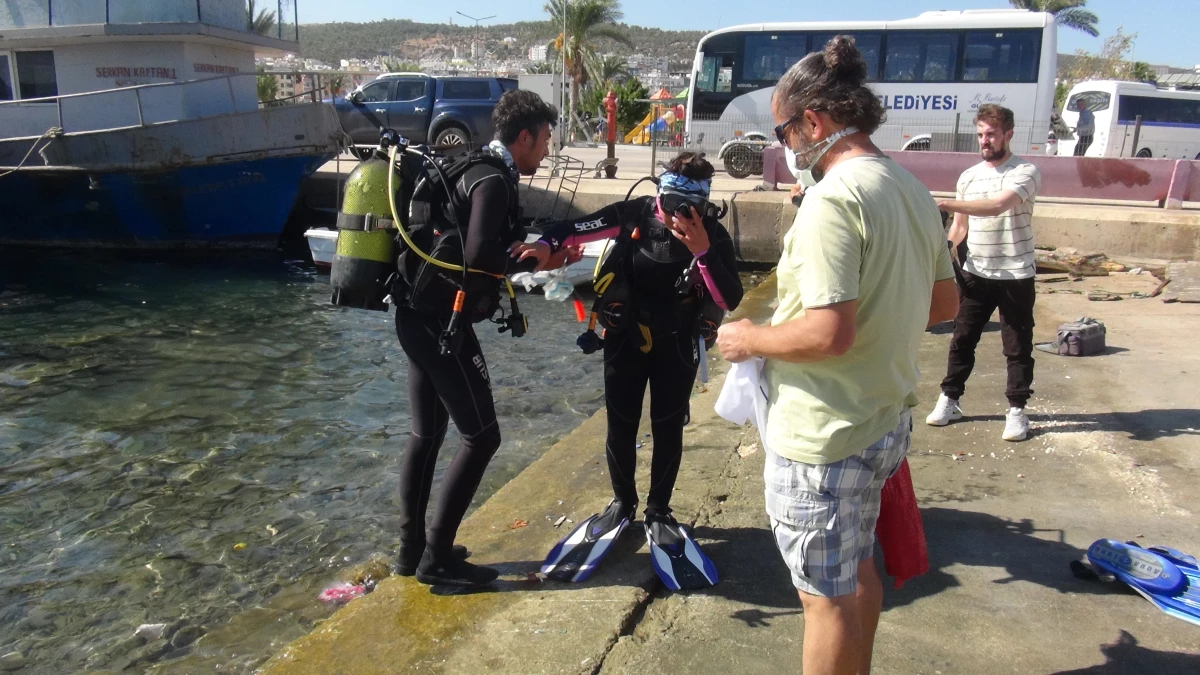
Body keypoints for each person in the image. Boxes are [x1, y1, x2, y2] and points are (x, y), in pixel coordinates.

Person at [714, 36, 958, 675]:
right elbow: (942, 307)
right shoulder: (909, 187)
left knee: (824, 600)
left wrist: (747, 339)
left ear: (813, 122)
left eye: (783, 131)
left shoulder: (831, 200)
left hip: (824, 434)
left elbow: (827, 334)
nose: (785, 146)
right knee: (855, 576)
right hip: (883, 420)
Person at [516, 152, 743, 589]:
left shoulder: (710, 233)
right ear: (659, 193)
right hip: (623, 337)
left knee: (668, 425)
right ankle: (623, 502)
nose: (677, 215)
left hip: (676, 341)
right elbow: (572, 227)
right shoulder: (635, 214)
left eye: (688, 207)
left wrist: (701, 250)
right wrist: (545, 245)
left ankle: (659, 510)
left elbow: (729, 297)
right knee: (620, 424)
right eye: (671, 202)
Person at [392, 89, 576, 588]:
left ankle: (412, 551)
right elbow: (477, 253)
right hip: (440, 326)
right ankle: (436, 562)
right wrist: (542, 260)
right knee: (482, 436)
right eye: (543, 142)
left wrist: (523, 250)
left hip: (413, 314)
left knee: (425, 435)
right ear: (523, 137)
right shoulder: (494, 181)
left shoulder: (469, 165)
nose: (545, 151)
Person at [927, 104, 1042, 443]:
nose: (985, 140)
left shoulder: (1026, 171)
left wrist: (946, 205)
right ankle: (950, 399)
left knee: (1017, 344)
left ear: (1008, 134)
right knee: (962, 339)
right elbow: (960, 228)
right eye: (980, 134)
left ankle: (1017, 411)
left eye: (991, 134)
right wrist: (943, 258)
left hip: (1016, 273)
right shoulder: (969, 177)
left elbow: (996, 206)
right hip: (976, 272)